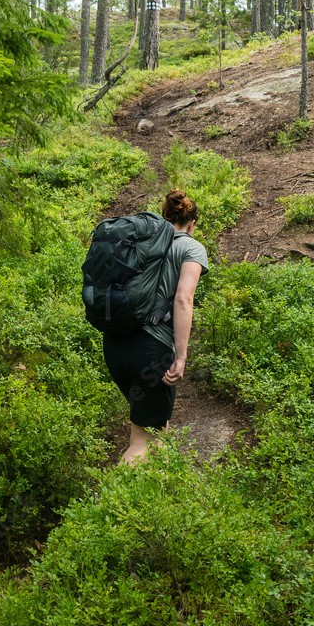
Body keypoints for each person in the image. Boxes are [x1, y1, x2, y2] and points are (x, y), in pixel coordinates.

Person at [103, 189, 209, 465]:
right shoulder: (191, 247)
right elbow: (184, 299)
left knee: (153, 428)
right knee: (143, 442)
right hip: (151, 352)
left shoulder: (142, 242)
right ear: (192, 223)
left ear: (165, 216)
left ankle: (157, 495)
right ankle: (114, 505)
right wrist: (182, 357)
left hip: (116, 345)